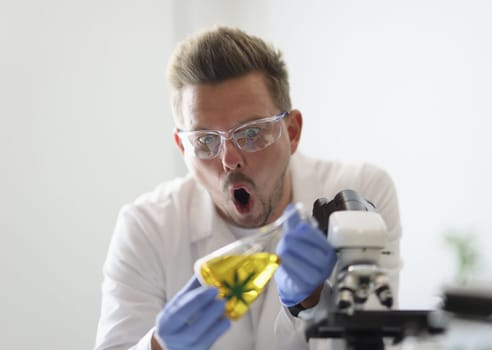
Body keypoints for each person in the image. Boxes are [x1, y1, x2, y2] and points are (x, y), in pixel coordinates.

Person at [94, 26, 402, 350]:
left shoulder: (361, 194)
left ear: (292, 132)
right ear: (183, 149)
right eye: (205, 140)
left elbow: (375, 341)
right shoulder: (147, 228)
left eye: (251, 133)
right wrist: (158, 346)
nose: (230, 160)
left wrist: (313, 304)